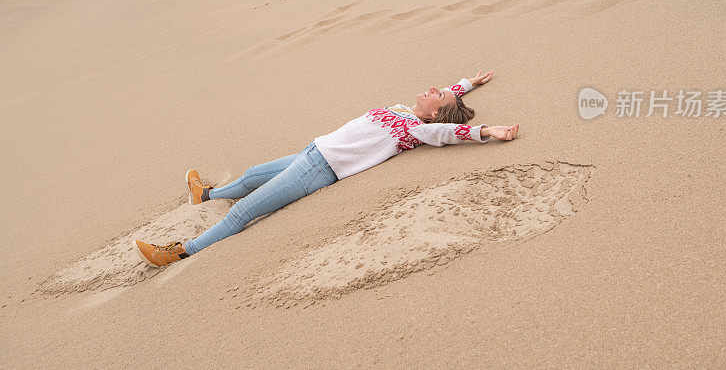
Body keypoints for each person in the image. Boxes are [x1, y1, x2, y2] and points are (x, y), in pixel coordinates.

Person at [135, 70, 519, 267]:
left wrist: (486, 131)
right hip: (313, 151)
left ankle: (181, 252)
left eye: (439, 93)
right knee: (253, 174)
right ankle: (205, 194)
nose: (434, 86)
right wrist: (466, 83)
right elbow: (447, 104)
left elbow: (446, 130)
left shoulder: (416, 129)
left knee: (245, 212)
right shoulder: (406, 112)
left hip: (317, 171)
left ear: (434, 111)